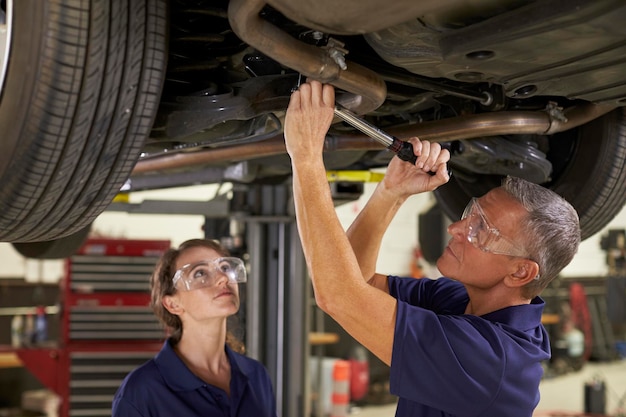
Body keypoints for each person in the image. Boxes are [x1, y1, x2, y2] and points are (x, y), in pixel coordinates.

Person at [283, 80, 581, 417]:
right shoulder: (459, 302)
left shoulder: (493, 360)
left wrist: (306, 157)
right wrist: (390, 192)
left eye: (481, 229)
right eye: (471, 214)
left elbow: (337, 295)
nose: (455, 228)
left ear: (520, 271)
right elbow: (357, 280)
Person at [112, 238, 277, 417]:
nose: (223, 278)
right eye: (200, 274)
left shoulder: (256, 376)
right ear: (173, 304)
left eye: (225, 268)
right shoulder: (141, 392)